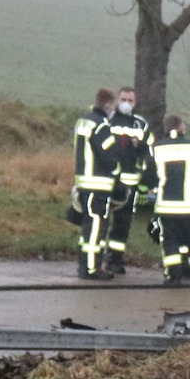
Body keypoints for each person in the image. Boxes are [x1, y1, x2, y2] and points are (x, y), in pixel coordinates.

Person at [145, 113, 190, 287]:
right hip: (189, 207)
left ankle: (174, 276)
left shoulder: (156, 149)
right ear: (180, 127)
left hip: (166, 208)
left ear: (166, 128)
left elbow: (149, 177)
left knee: (170, 241)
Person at [72, 87, 120, 280]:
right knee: (96, 228)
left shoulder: (83, 121)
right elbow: (108, 156)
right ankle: (92, 268)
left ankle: (84, 264)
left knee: (87, 227)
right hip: (98, 185)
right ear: (108, 104)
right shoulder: (101, 125)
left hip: (84, 183)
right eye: (113, 106)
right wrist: (118, 175)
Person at [104, 85, 153, 274]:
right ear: (117, 100)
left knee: (123, 224)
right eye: (123, 99)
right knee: (101, 220)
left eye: (130, 100)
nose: (126, 103)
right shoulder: (108, 119)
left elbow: (148, 152)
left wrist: (139, 145)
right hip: (108, 180)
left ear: (135, 102)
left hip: (130, 183)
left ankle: (115, 259)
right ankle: (98, 257)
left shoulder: (140, 124)